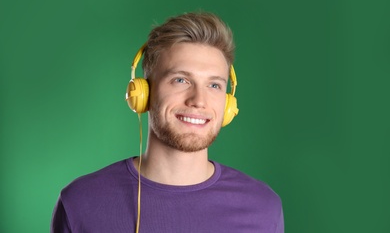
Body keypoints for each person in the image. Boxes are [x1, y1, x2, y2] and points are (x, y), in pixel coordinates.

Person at [51, 12, 284, 233]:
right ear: (143, 93)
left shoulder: (263, 207)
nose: (198, 101)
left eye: (214, 85)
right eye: (180, 80)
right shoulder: (80, 202)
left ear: (229, 103)